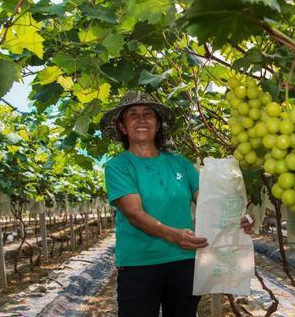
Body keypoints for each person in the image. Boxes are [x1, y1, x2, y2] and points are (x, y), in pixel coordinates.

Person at [101, 91, 252, 317]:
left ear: (158, 124)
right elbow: (133, 212)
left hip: (184, 262)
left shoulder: (179, 163)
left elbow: (208, 200)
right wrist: (174, 236)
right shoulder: (118, 166)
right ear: (122, 127)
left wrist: (234, 218)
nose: (142, 119)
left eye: (148, 114)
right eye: (133, 115)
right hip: (139, 264)